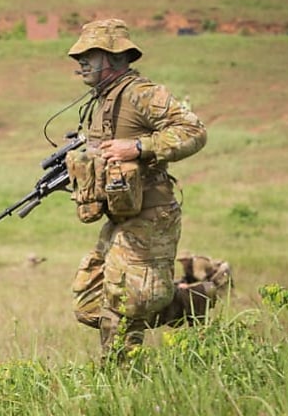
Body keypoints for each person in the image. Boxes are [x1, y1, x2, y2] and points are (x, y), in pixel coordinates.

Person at [66, 18, 207, 361]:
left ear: (114, 57)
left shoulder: (141, 93)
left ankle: (121, 381)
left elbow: (193, 130)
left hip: (150, 214)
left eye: (90, 54)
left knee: (123, 306)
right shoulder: (101, 101)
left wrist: (139, 148)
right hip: (119, 216)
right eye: (79, 55)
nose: (81, 61)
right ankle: (193, 300)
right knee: (89, 303)